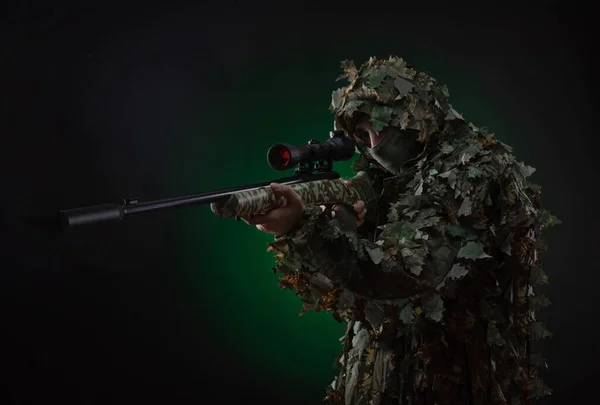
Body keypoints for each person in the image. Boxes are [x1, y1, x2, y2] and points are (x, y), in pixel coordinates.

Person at [242, 56, 557, 405]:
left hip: (455, 383)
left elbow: (405, 276)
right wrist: (336, 225)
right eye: (362, 135)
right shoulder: (387, 178)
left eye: (382, 125)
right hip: (379, 381)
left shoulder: (474, 169)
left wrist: (305, 227)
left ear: (415, 113)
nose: (374, 144)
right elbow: (351, 292)